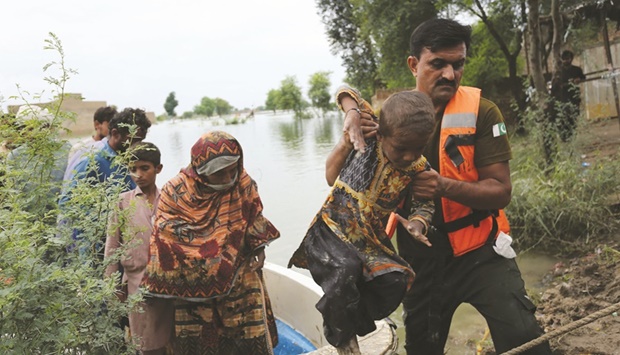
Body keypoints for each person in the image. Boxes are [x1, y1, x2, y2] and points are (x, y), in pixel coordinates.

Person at [336, 18, 551, 354]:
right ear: (413, 64)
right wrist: (349, 113)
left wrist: (443, 186)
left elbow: (501, 190)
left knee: (527, 341)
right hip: (420, 263)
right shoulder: (389, 118)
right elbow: (340, 168)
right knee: (423, 348)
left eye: (458, 64)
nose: (450, 74)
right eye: (438, 64)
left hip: (482, 253)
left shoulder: (483, 112)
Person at [289, 91, 436, 355]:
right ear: (382, 134)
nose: (409, 156)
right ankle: (343, 339)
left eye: (419, 148)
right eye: (402, 148)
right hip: (333, 227)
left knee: (396, 281)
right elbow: (347, 93)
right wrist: (352, 115)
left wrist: (417, 223)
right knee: (347, 269)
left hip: (368, 239)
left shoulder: (418, 167)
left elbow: (425, 202)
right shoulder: (367, 135)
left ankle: (340, 312)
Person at [141, 131, 280, 354]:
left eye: (230, 170)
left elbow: (254, 215)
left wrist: (260, 248)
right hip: (192, 286)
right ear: (200, 172)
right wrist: (208, 256)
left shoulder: (242, 182)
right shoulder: (175, 191)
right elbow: (165, 234)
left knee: (248, 336)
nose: (227, 178)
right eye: (218, 174)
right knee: (198, 343)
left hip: (239, 275)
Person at [104, 142, 173, 354]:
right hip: (137, 286)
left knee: (173, 341)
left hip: (169, 287)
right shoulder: (122, 203)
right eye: (133, 169)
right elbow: (112, 248)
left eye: (145, 168)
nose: (138, 174)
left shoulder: (170, 201)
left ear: (158, 169)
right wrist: (112, 289)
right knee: (146, 344)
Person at [59, 107, 152, 259]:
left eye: (140, 141)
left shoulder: (126, 159)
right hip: (93, 246)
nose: (137, 146)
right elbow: (67, 204)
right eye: (133, 141)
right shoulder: (92, 160)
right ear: (115, 134)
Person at [64, 106, 117, 181]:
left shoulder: (114, 149)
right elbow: (71, 175)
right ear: (97, 125)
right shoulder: (80, 148)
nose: (113, 129)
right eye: (109, 126)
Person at [550, 50, 586, 141]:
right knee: (562, 118)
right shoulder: (558, 72)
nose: (566, 61)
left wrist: (578, 79)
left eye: (568, 58)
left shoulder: (577, 70)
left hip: (574, 98)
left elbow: (583, 77)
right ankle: (564, 137)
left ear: (571, 59)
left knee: (573, 118)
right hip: (562, 98)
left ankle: (571, 137)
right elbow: (554, 87)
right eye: (564, 59)